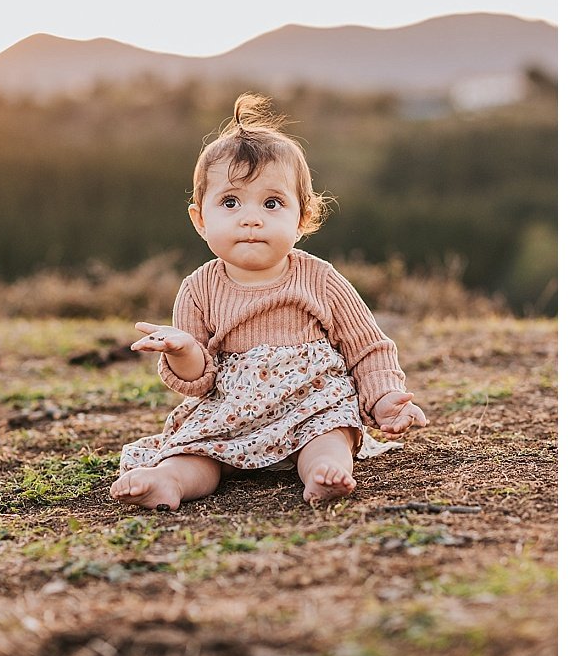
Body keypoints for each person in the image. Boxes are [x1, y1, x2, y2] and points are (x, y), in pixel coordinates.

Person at [110, 93, 426, 511]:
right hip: (230, 415)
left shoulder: (319, 278)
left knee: (331, 435)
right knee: (196, 455)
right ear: (200, 220)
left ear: (302, 217)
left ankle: (323, 474)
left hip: (311, 404)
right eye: (230, 202)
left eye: (272, 203)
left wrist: (384, 398)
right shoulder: (199, 287)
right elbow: (199, 380)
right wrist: (184, 349)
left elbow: (366, 347)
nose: (251, 218)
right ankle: (169, 481)